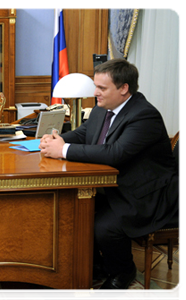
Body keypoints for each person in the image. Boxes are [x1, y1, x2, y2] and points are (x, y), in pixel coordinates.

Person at [39, 59, 182, 298]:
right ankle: (93, 265)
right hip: (117, 186)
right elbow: (85, 134)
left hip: (147, 194)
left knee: (103, 226)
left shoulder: (144, 115)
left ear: (124, 88)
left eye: (102, 88)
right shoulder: (101, 109)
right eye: (96, 86)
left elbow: (116, 154)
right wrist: (53, 139)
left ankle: (123, 271)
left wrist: (63, 151)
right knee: (74, 210)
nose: (95, 93)